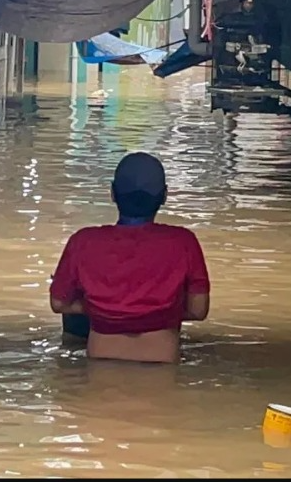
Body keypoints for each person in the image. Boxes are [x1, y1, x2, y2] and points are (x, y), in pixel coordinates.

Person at [49, 152, 210, 363]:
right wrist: (157, 311)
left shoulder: (84, 242)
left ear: (113, 194)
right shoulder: (183, 242)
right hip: (162, 364)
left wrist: (97, 308)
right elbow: (198, 310)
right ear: (164, 196)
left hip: (100, 363)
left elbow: (58, 303)